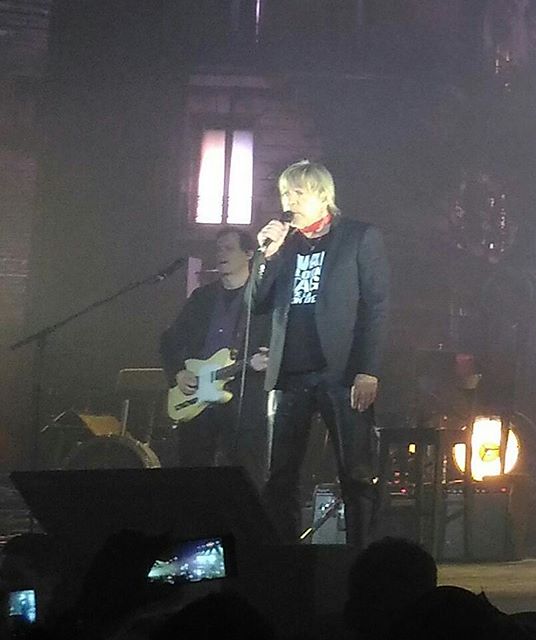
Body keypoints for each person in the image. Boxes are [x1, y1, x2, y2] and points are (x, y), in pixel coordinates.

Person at [249, 159, 389, 548]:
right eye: (284, 193)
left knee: (356, 473)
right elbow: (256, 303)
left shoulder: (359, 237)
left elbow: (376, 306)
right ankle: (284, 556)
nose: (289, 201)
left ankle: (362, 556)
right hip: (290, 372)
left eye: (298, 192)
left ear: (323, 195)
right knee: (280, 475)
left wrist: (368, 370)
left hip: (340, 371)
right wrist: (268, 256)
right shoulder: (283, 245)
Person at [160, 227, 269, 485]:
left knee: (245, 475)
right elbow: (169, 339)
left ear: (249, 254)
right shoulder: (202, 297)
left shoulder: (263, 299)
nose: (221, 254)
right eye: (218, 248)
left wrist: (265, 359)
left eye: (229, 248)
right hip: (196, 401)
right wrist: (178, 372)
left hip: (242, 401)